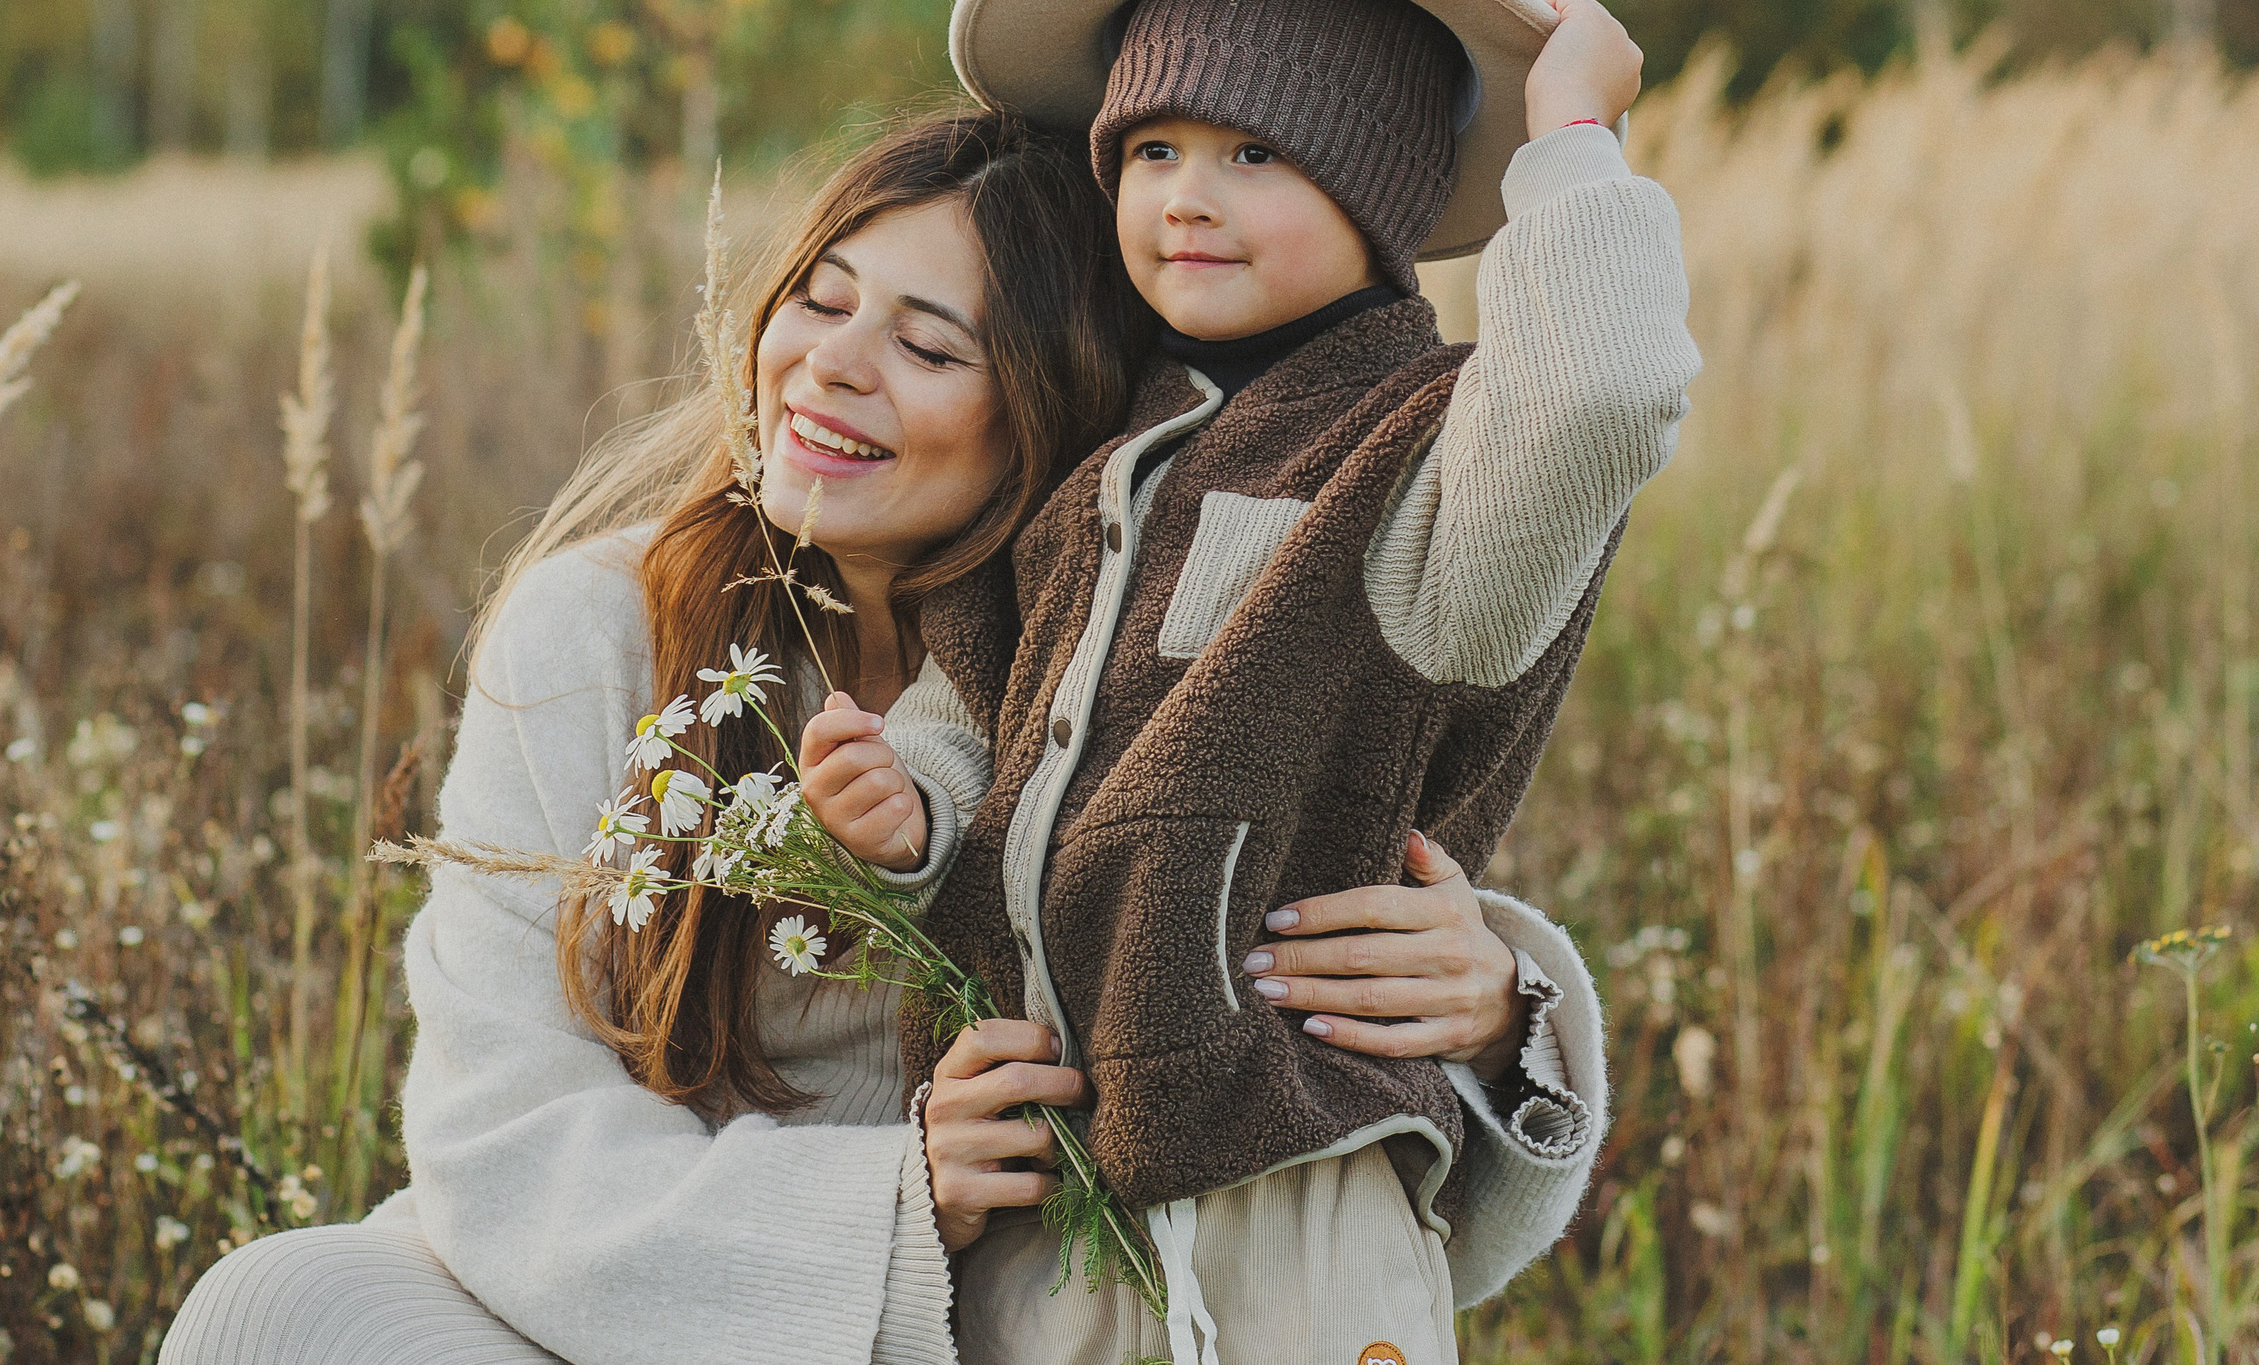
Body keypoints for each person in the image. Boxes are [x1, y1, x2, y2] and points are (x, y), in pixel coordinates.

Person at [160, 107, 1608, 1365]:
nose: (828, 367)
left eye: (924, 344)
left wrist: (1502, 1015)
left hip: (971, 1330)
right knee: (282, 1308)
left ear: (1047, 421)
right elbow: (496, 1139)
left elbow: (1280, 1166)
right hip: (620, 1301)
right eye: (819, 298)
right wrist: (901, 1196)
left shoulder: (1141, 682)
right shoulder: (595, 634)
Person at [803, 0, 1698, 1365]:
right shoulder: (1101, 443)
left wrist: (1569, 137)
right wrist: (919, 801)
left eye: (1256, 153)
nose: (1185, 197)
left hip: (1287, 1196)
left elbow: (1601, 393)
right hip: (1046, 1187)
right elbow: (982, 704)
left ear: (1383, 179)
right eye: (1153, 150)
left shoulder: (1431, 458)